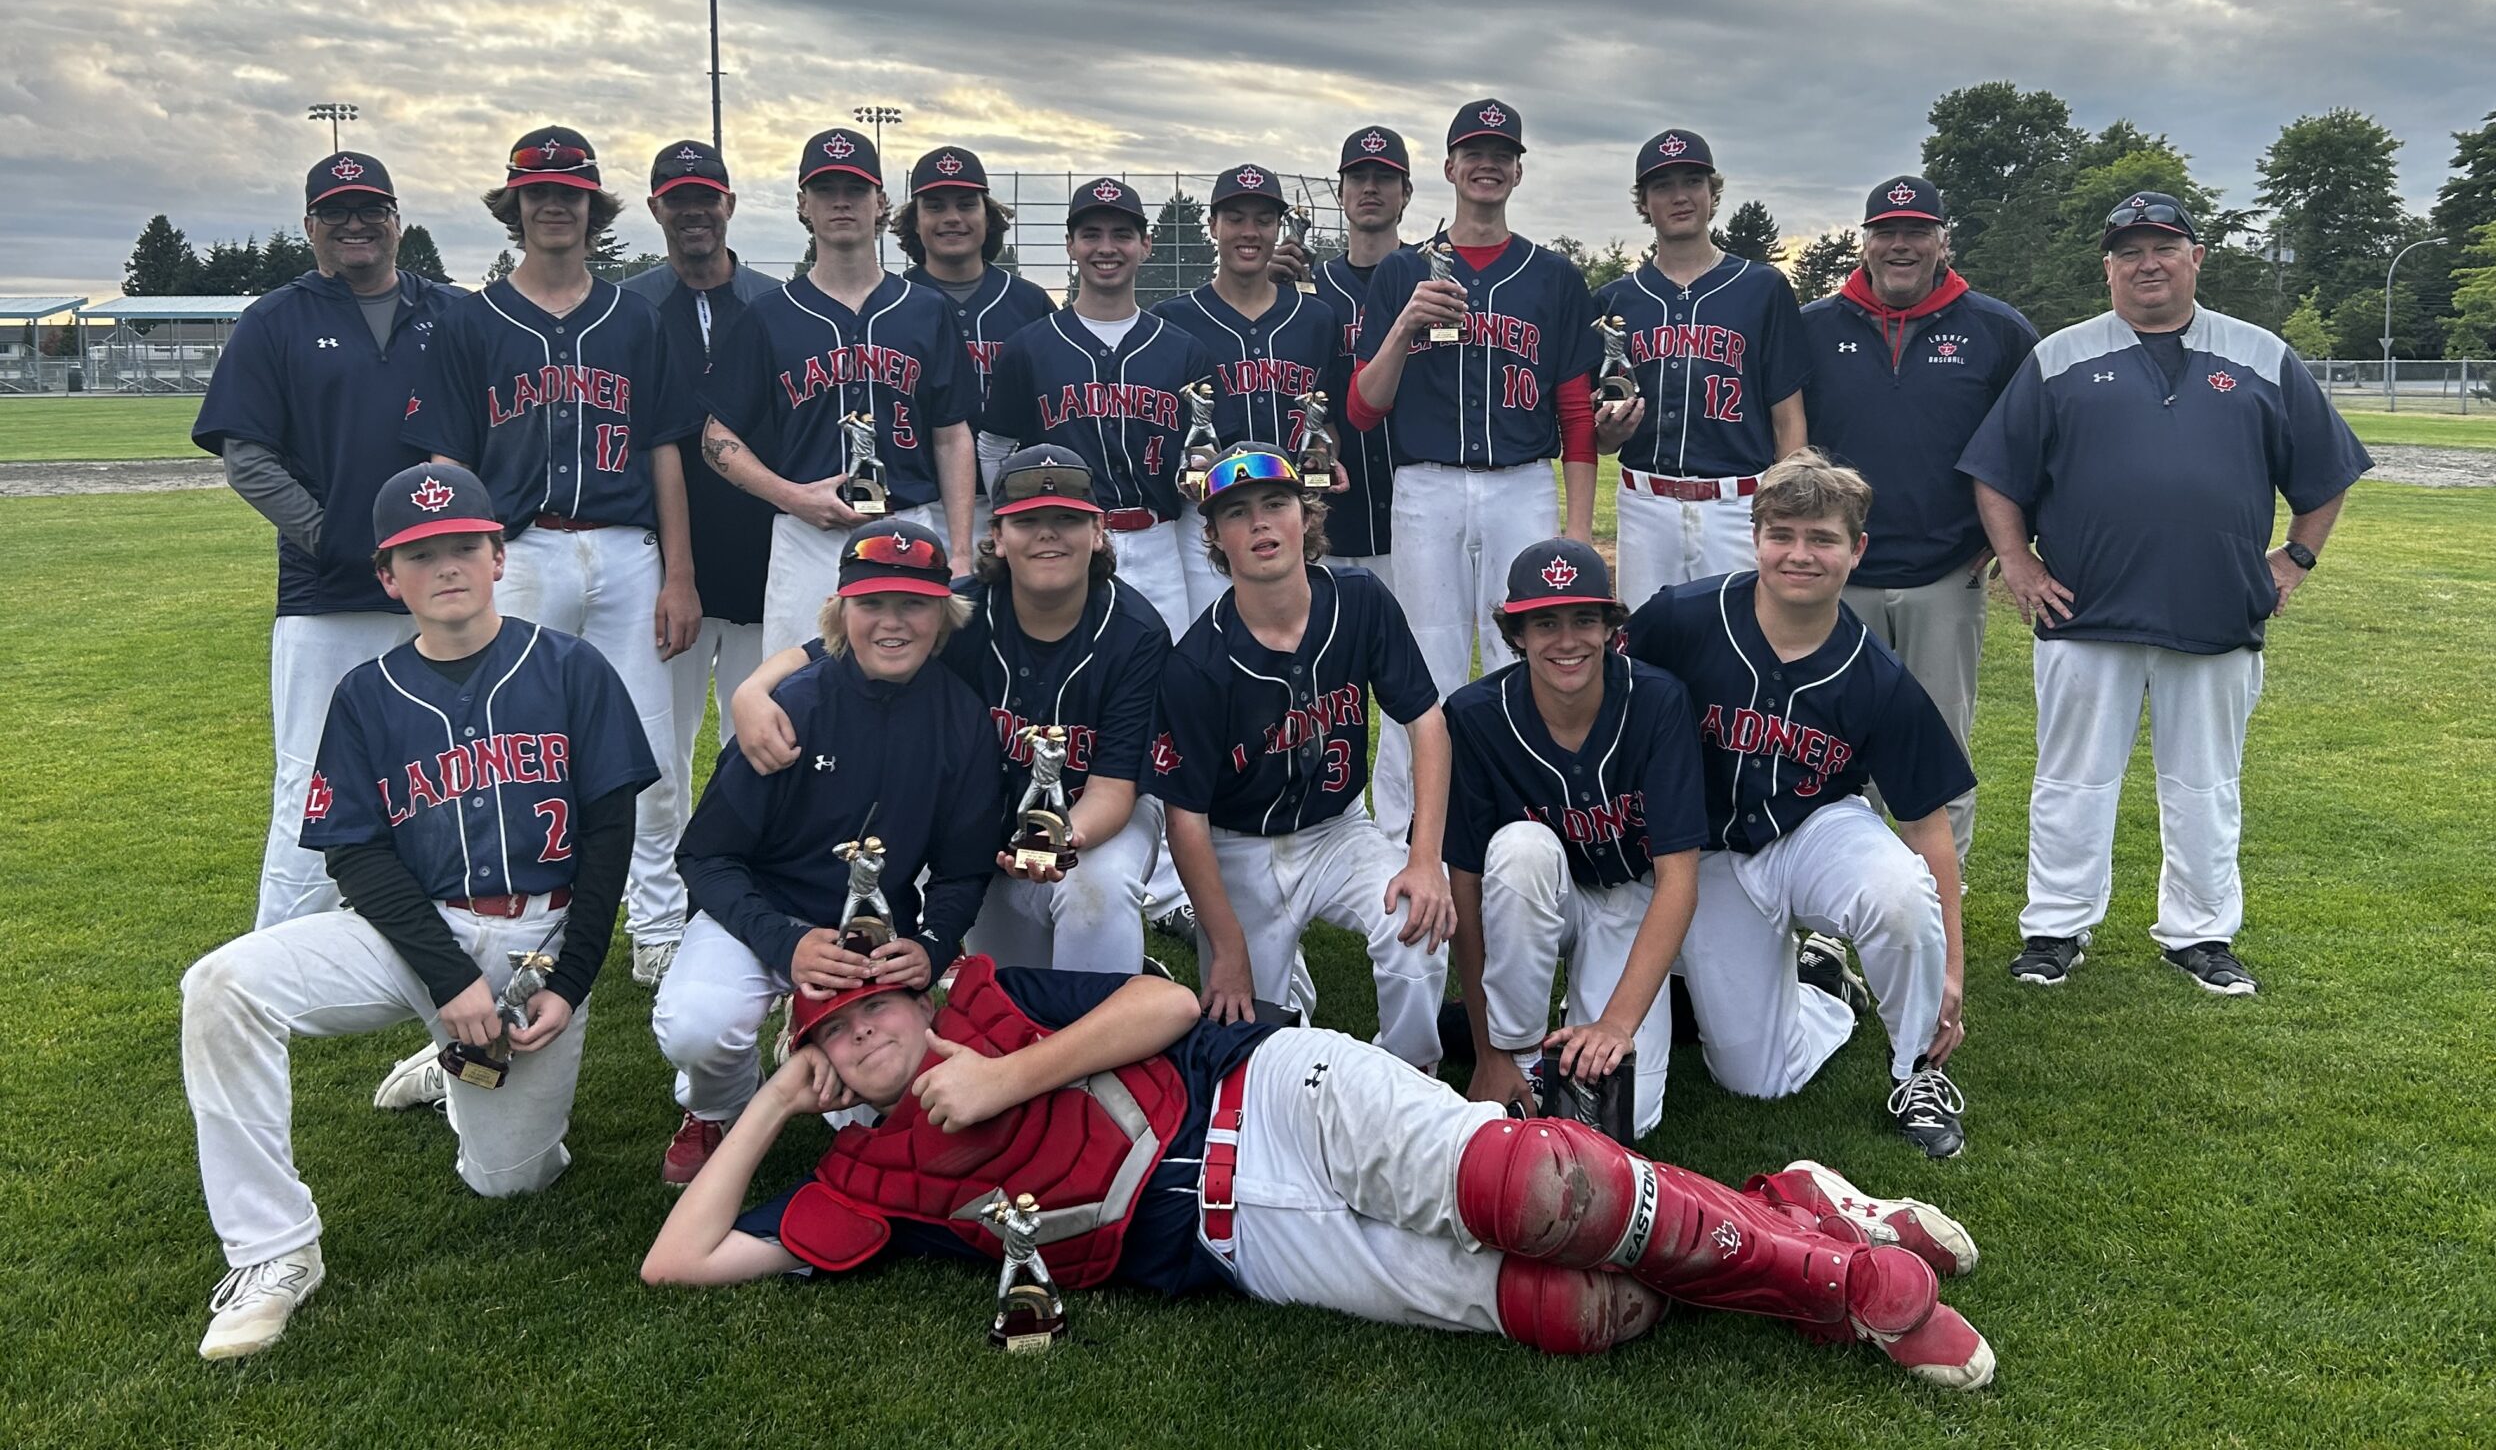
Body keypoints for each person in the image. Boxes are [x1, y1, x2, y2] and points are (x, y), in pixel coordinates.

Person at [638, 962, 1994, 1389]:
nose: (863, 1037)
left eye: (872, 1009)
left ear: (909, 989)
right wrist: (773, 1102)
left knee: (1538, 1193)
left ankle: (1841, 1283)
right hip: (1246, 1250)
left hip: (1270, 1097)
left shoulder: (991, 999)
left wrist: (1003, 1075)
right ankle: (1783, 1200)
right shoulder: (863, 1180)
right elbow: (676, 1262)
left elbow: (1167, 1001)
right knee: (1585, 1307)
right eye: (831, 1038)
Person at [180, 463, 656, 1359]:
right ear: (388, 577)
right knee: (222, 985)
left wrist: (573, 978)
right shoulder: (365, 694)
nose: (446, 567)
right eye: (419, 554)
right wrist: (448, 978)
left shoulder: (571, 668)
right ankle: (274, 1251)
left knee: (509, 1183)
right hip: (409, 935)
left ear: (498, 557)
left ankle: (454, 1069)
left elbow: (610, 834)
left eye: (463, 547)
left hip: (536, 944)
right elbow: (356, 853)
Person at [1958, 190, 2370, 997]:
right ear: (2108, 268)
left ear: (2195, 258)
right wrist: (2018, 563)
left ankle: (2201, 934)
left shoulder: (2260, 354)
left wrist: (2296, 559)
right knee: (2073, 780)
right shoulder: (2061, 356)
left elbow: (2327, 472)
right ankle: (2056, 927)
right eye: (2128, 253)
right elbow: (1995, 472)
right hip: (2084, 610)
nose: (2147, 264)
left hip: (2214, 610)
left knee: (2204, 785)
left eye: (2163, 248)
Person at [411, 124, 697, 991]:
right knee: (512, 744)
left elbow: (665, 450)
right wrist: (468, 562)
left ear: (593, 207)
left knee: (649, 750)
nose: (553, 206)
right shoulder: (471, 320)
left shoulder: (635, 318)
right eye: (537, 192)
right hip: (522, 548)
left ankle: (659, 923)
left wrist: (680, 573)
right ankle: (516, 928)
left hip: (625, 549)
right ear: (514, 206)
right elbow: (447, 461)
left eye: (569, 193)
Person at [1623, 452, 1974, 1158]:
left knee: (1898, 891)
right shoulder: (1681, 617)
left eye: (1822, 538)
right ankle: (1821, 996)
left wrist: (1951, 969)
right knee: (1757, 1080)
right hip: (1706, 857)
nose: (1800, 554)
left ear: (1857, 550)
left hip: (1814, 834)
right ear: (1755, 538)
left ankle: (1916, 1070)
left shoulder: (1877, 676)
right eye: (1781, 534)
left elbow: (1927, 825)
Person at [725, 444, 1173, 974]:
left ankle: (1111, 1002)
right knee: (1008, 985)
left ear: (1098, 531)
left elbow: (1113, 791)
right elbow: (834, 648)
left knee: (1094, 891)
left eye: (1067, 519)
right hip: (982, 835)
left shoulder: (1136, 633)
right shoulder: (963, 612)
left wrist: (1055, 841)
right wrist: (752, 690)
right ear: (997, 536)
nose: (1048, 534)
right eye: (1027, 520)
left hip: (1095, 823)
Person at [652, 518, 1004, 1183]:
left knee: (883, 1108)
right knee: (699, 1025)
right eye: (872, 603)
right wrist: (783, 942)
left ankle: (816, 1028)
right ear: (842, 611)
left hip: (874, 933)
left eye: (914, 604)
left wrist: (932, 946)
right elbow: (704, 857)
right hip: (762, 914)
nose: (892, 622)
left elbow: (963, 870)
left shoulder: (961, 718)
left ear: (944, 615)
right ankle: (717, 1106)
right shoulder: (792, 703)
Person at [191, 150, 454, 928]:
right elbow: (248, 462)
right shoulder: (275, 319)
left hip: (442, 592)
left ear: (397, 220)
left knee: (443, 777)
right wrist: (339, 540)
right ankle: (280, 955)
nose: (354, 223)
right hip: (327, 595)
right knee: (314, 781)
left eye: (371, 208)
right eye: (335, 211)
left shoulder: (451, 312)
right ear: (309, 226)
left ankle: (434, 950)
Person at [1149, 444, 1454, 1068]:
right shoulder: (1195, 663)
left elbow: (1427, 723)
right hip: (1238, 849)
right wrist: (1227, 945)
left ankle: (1407, 1076)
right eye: (1237, 513)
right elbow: (1185, 819)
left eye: (1275, 504)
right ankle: (1282, 981)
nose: (1260, 523)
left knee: (1416, 926)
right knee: (1248, 1043)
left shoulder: (1360, 599)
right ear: (1215, 537)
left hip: (1340, 832)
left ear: (1306, 516)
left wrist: (1424, 860)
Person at [1800, 175, 2035, 867]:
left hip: (1944, 576)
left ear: (1942, 241)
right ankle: (1844, 901)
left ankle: (1935, 906)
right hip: (1837, 576)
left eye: (1916, 231)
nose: (1900, 245)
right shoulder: (1814, 326)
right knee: (1833, 749)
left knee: (1936, 748)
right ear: (1865, 242)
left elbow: (2039, 442)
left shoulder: (1996, 329)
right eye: (1886, 232)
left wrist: (2013, 539)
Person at [1444, 539, 1704, 1142]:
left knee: (1632, 1111)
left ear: (1611, 627)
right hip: (1539, 893)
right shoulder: (1476, 714)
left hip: (1631, 897)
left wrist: (1615, 1024)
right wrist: (1489, 1050)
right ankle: (1517, 1049)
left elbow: (1679, 881)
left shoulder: (1658, 700)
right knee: (1521, 849)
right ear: (1516, 634)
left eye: (1585, 619)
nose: (1567, 640)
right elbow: (1465, 882)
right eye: (1545, 623)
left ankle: (1816, 999)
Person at [1347, 98, 1601, 704]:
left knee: (1524, 653)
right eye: (1474, 153)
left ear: (1518, 171)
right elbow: (1362, 409)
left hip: (1522, 485)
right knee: (1425, 657)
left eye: (1501, 155)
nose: (1488, 164)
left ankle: (1515, 771)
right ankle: (1419, 773)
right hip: (1426, 487)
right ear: (1449, 168)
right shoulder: (1402, 271)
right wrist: (1404, 326)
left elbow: (1575, 414)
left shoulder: (1554, 276)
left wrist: (1579, 530)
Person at [699, 126, 979, 661]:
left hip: (908, 524)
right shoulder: (769, 315)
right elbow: (716, 437)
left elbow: (951, 435)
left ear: (881, 203)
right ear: (803, 205)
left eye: (856, 189)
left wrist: (961, 553)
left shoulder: (925, 309)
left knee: (914, 683)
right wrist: (789, 496)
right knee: (794, 687)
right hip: (808, 534)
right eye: (826, 190)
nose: (842, 202)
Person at [620, 139, 784, 814]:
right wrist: (672, 571)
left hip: (763, 557)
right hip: (664, 567)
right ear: (655, 207)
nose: (694, 212)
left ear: (729, 205)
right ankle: (663, 880)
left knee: (762, 744)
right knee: (660, 756)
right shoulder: (628, 308)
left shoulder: (778, 303)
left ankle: (738, 867)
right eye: (678, 200)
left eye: (706, 199)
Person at [980, 174, 1213, 638]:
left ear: (1146, 245)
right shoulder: (1030, 346)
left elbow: (1200, 452)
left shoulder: (1183, 349)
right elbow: (993, 447)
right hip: (1067, 543)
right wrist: (1016, 523)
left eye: (1122, 234)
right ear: (1070, 245)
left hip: (1159, 540)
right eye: (1091, 235)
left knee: (1170, 665)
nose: (1106, 248)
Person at [1594, 129, 1811, 610]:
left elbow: (1788, 416)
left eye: (1692, 181)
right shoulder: (1615, 300)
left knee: (1738, 639)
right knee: (1645, 639)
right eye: (1662, 185)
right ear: (1643, 202)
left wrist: (1786, 510)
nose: (1679, 196)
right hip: (1644, 502)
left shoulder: (1763, 287)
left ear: (1713, 194)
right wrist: (1607, 433)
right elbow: (1600, 437)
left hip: (1738, 504)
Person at [1152, 163, 1346, 596]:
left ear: (1279, 229)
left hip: (1291, 509)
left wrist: (1326, 459)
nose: (1249, 232)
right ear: (1213, 226)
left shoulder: (1317, 318)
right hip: (1208, 515)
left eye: (1263, 220)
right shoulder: (1172, 320)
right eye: (1236, 218)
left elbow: (1327, 424)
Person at [1312, 125, 1416, 841]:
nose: (1370, 188)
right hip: (1326, 514)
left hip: (1412, 508)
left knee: (1409, 682)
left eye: (1384, 177)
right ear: (1342, 191)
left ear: (1407, 192)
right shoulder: (1305, 288)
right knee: (1319, 682)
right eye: (1358, 176)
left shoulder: (1432, 275)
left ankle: (1403, 830)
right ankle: (1322, 821)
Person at [892, 144, 1056, 540]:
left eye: (967, 205)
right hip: (921, 501)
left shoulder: (1029, 302)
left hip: (1023, 498)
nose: (952, 218)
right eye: (935, 207)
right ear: (915, 220)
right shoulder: (892, 303)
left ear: (988, 216)